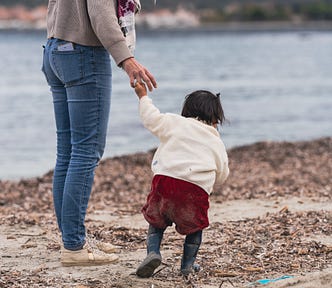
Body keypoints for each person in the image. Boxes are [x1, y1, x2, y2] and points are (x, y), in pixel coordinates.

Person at [41, 0, 157, 267]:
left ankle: (72, 238)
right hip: (83, 54)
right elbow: (100, 13)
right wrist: (127, 60)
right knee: (85, 150)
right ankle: (73, 246)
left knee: (68, 151)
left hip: (55, 49)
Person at [133, 83, 229, 277]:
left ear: (187, 111)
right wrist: (212, 184)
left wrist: (143, 96)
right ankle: (186, 266)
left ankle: (153, 252)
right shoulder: (215, 140)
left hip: (164, 182)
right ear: (214, 119)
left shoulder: (173, 122)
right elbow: (222, 171)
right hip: (195, 189)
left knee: (156, 221)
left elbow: (150, 118)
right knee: (195, 227)